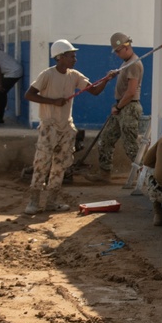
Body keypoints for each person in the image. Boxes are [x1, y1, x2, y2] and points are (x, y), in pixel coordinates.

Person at [23, 39, 114, 215]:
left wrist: (107, 79)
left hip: (66, 128)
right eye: (72, 56)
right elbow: (30, 94)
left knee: (60, 166)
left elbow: (94, 91)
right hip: (49, 126)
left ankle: (51, 202)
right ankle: (33, 202)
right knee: (42, 164)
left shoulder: (75, 76)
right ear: (60, 57)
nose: (75, 59)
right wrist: (53, 102)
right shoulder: (47, 75)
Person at [85, 32, 144, 183]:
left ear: (127, 46)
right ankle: (104, 174)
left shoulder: (134, 64)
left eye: (118, 50)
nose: (117, 54)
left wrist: (118, 106)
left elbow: (131, 92)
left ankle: (144, 175)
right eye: (116, 51)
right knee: (105, 140)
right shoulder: (126, 63)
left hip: (128, 107)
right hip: (121, 106)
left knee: (130, 145)